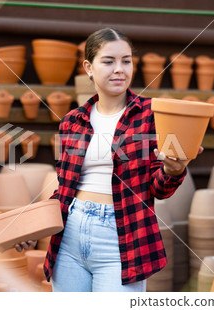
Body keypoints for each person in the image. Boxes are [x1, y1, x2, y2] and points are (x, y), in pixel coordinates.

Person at [42, 28, 202, 292]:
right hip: (69, 234)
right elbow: (64, 189)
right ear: (88, 67)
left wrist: (173, 171)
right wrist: (34, 225)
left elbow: (158, 190)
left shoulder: (152, 115)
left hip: (123, 236)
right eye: (108, 61)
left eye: (126, 60)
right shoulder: (72, 121)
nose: (119, 69)